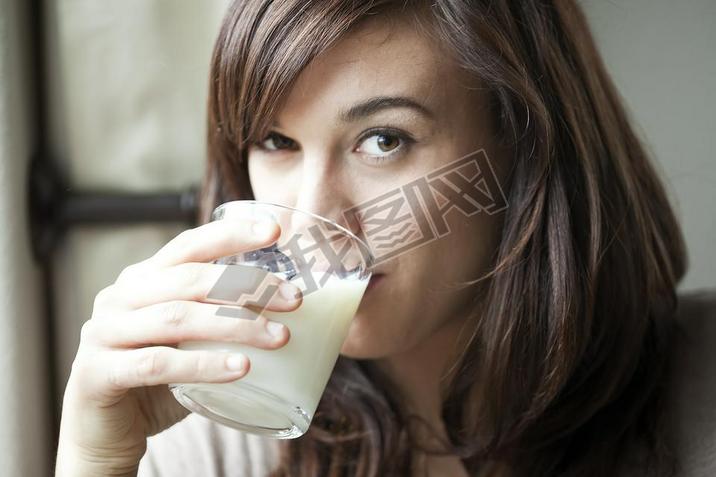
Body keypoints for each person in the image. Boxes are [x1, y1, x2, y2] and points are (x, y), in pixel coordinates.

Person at [54, 1, 713, 476]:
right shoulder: (211, 442)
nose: (313, 216)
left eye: (384, 140)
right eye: (276, 141)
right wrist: (96, 459)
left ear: (518, 154)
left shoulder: (698, 396)